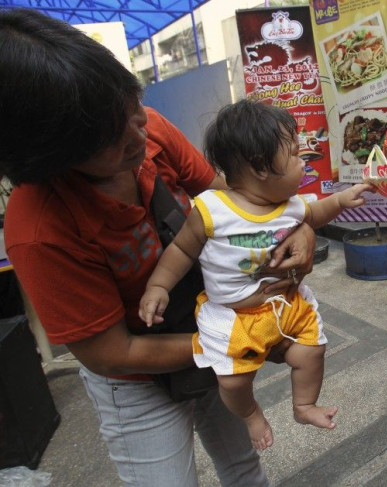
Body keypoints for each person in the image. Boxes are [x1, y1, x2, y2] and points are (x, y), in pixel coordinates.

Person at [0, 9, 316, 486]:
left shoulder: (148, 133)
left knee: (242, 463)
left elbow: (240, 203)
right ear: (53, 157)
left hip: (205, 323)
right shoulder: (40, 228)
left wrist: (300, 226)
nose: (138, 135)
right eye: (110, 137)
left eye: (133, 109)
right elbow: (112, 352)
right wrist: (230, 341)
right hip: (137, 377)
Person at [139, 99, 371, 451]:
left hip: (286, 307)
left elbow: (316, 213)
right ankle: (249, 415)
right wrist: (158, 285)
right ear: (261, 167)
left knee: (312, 352)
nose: (303, 160)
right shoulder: (212, 208)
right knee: (232, 382)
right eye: (294, 155)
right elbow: (183, 250)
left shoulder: (291, 205)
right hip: (235, 317)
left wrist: (341, 200)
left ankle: (303, 405)